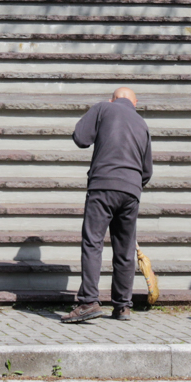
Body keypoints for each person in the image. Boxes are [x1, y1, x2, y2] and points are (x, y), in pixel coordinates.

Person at [62, 86, 153, 323]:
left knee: (93, 243)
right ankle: (122, 306)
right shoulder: (142, 124)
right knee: (124, 251)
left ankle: (89, 302)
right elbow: (147, 171)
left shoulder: (104, 108)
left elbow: (80, 138)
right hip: (131, 192)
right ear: (135, 104)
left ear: (113, 99)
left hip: (103, 185)